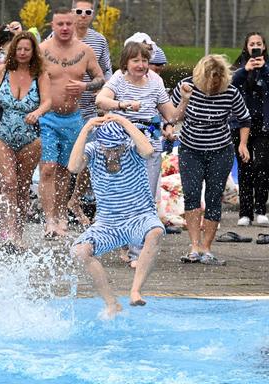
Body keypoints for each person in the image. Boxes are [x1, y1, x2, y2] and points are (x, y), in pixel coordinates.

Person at [96, 42, 191, 266]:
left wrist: (185, 99)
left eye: (145, 61)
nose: (141, 65)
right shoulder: (118, 78)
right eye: (136, 61)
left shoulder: (156, 81)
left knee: (145, 199)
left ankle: (137, 252)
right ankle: (120, 242)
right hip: (121, 144)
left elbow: (171, 116)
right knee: (120, 197)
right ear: (126, 63)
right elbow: (101, 100)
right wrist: (124, 104)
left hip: (149, 144)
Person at [69, 114, 164, 318]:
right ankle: (112, 303)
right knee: (80, 252)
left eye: (117, 148)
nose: (113, 152)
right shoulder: (94, 151)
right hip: (108, 222)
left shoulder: (132, 149)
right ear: (100, 144)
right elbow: (73, 167)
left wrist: (124, 122)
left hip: (139, 216)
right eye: (108, 148)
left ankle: (135, 290)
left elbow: (148, 150)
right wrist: (85, 130)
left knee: (155, 232)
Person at [173, 55, 251, 265]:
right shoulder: (186, 86)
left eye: (217, 82)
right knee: (191, 195)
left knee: (214, 197)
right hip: (191, 149)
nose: (213, 86)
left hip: (220, 150)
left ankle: (207, 248)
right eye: (210, 82)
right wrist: (184, 99)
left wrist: (242, 144)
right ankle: (194, 246)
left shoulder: (230, 91)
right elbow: (172, 116)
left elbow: (244, 119)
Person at [38, 7, 105, 238]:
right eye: (60, 24)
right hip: (48, 118)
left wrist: (85, 86)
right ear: (53, 26)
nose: (65, 28)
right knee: (47, 169)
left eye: (68, 24)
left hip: (74, 118)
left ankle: (60, 215)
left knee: (67, 170)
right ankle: (48, 220)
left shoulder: (85, 51)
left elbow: (100, 78)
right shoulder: (42, 50)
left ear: (74, 25)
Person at [0, 32, 51, 249]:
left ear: (33, 52)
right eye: (19, 49)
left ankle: (18, 234)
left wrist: (37, 112)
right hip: (1, 135)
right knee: (8, 182)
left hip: (31, 137)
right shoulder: (2, 71)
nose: (22, 53)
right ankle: (9, 231)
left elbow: (48, 101)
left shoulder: (40, 74)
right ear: (13, 50)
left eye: (26, 49)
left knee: (22, 187)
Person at [67, 0, 114, 226]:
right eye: (79, 11)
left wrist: (106, 98)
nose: (83, 15)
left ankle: (76, 199)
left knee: (91, 155)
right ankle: (60, 209)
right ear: (71, 12)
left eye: (88, 12)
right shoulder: (59, 36)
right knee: (63, 160)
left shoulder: (99, 40)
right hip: (64, 108)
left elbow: (107, 71)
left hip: (90, 108)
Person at [232, 32, 269, 226]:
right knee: (244, 167)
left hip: (264, 124)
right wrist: (245, 70)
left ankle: (261, 208)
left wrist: (263, 70)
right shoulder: (239, 67)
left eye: (259, 44)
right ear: (246, 47)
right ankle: (245, 212)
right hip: (241, 124)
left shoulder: (267, 67)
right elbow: (230, 85)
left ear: (264, 47)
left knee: (262, 165)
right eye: (252, 44)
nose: (255, 47)